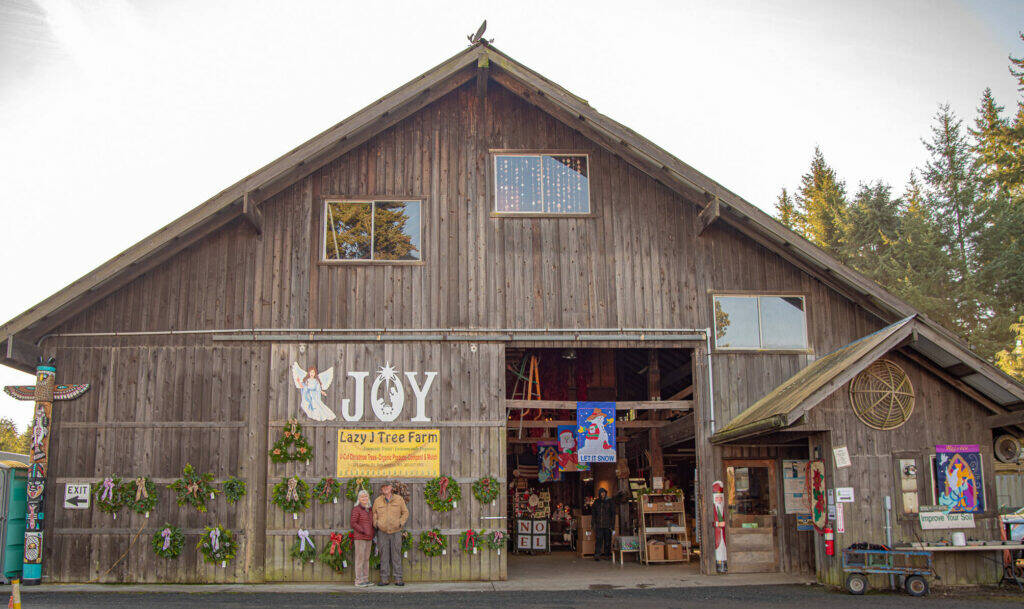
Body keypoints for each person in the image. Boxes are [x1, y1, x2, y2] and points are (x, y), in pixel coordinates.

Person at [372, 481, 409, 586]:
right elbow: (374, 513)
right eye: (383, 487)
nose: (386, 489)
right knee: (384, 555)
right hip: (382, 532)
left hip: (396, 532)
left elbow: (405, 512)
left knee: (396, 555)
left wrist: (400, 523)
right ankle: (384, 579)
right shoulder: (377, 501)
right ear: (381, 490)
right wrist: (376, 523)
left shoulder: (399, 499)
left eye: (387, 487)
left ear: (391, 487)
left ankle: (398, 579)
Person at [350, 489, 375, 587]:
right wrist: (363, 530)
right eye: (362, 497)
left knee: (366, 559)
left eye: (366, 496)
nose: (364, 498)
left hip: (369, 537)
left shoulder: (369, 509)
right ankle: (358, 580)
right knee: (360, 559)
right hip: (360, 537)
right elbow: (353, 523)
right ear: (359, 499)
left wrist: (372, 532)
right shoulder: (356, 509)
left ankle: (365, 579)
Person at [591, 487, 615, 561]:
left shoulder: (610, 501)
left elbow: (613, 514)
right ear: (599, 494)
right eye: (601, 492)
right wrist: (592, 523)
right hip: (599, 525)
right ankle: (597, 555)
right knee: (598, 540)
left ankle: (607, 555)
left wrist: (613, 525)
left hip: (608, 525)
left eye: (604, 492)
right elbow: (593, 514)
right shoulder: (596, 502)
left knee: (608, 541)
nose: (603, 494)